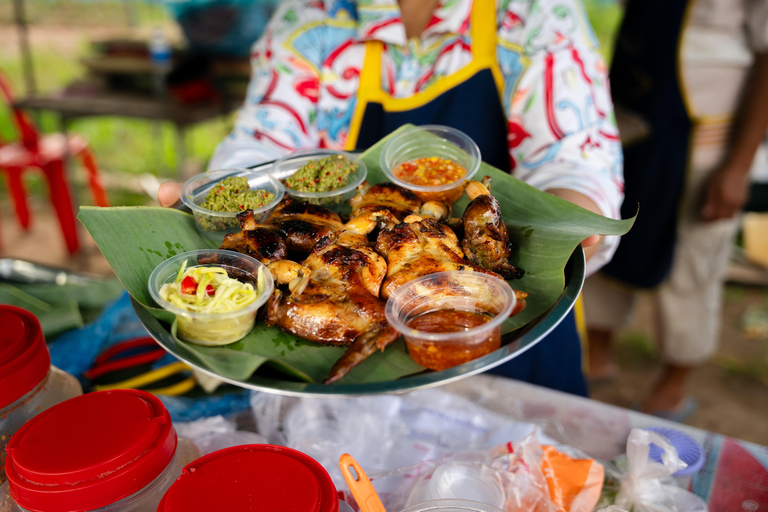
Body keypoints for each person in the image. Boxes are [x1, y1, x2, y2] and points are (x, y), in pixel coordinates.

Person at [160, 0, 624, 396]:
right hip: (342, 386)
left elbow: (576, 153)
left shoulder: (533, 13)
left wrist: (573, 211)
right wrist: (222, 192)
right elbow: (263, 141)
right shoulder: (312, 16)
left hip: (506, 346)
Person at [583, 0, 768, 418]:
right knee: (610, 235)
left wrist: (737, 167)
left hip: (706, 138)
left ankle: (670, 388)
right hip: (632, 116)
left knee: (694, 263)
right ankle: (597, 359)